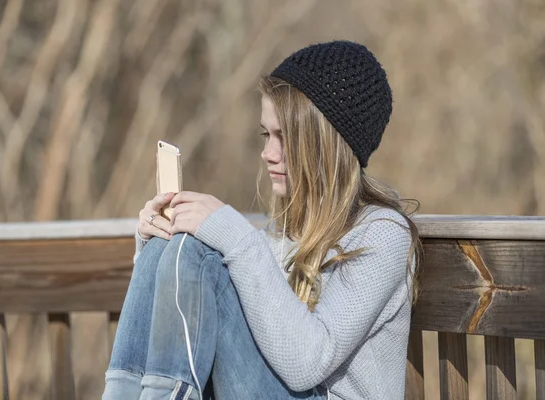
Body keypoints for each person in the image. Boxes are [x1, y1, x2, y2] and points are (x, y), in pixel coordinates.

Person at [102, 40, 420, 400]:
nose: (267, 153)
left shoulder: (382, 235)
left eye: (284, 137)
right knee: (167, 242)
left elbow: (307, 364)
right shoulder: (285, 230)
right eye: (266, 134)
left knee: (197, 252)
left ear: (326, 143)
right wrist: (152, 246)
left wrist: (238, 238)